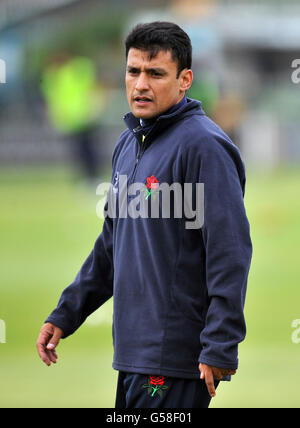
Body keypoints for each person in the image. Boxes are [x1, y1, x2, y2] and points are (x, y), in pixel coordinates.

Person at [36, 22, 252, 408]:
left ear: (185, 80)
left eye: (155, 74)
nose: (140, 85)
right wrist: (67, 312)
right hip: (133, 353)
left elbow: (230, 251)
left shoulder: (205, 146)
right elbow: (110, 247)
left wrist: (220, 344)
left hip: (177, 358)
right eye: (133, 71)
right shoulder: (129, 142)